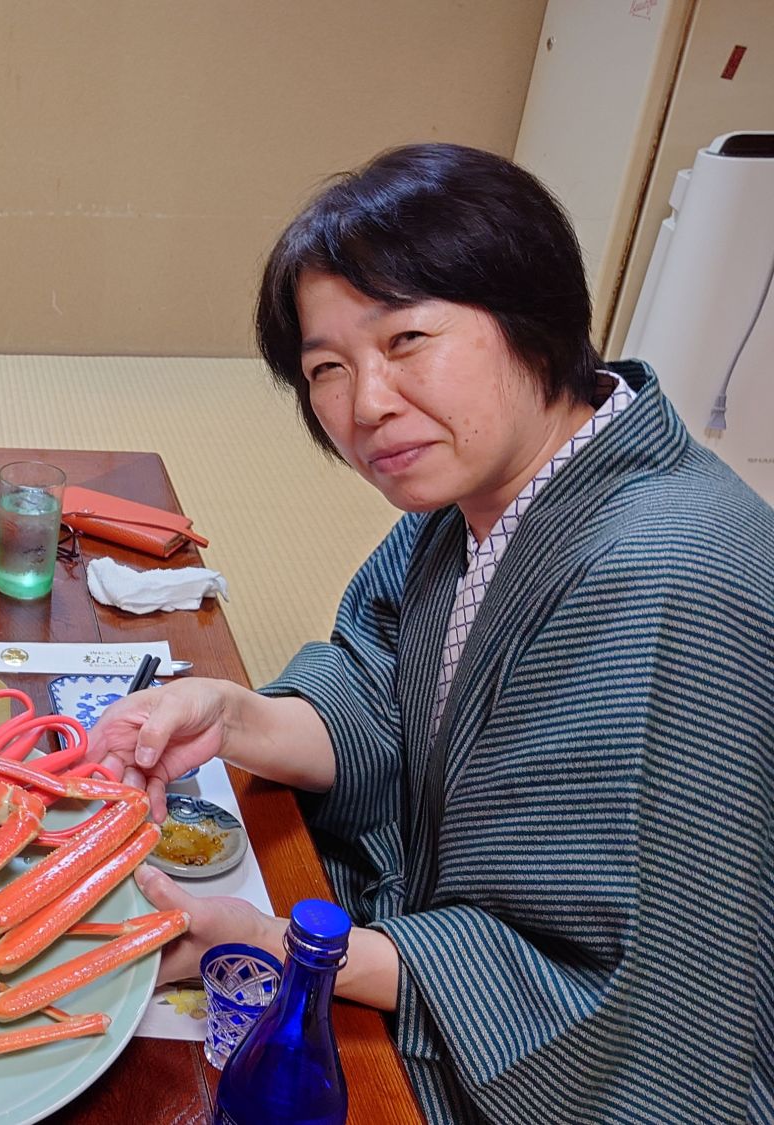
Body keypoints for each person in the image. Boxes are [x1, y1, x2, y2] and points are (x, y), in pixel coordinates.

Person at [87, 144, 774, 1122]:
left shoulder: (662, 575)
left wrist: (283, 945)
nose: (364, 404)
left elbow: (617, 984)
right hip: (438, 952)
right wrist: (227, 712)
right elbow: (383, 696)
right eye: (326, 367)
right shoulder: (472, 504)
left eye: (405, 339)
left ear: (530, 313)